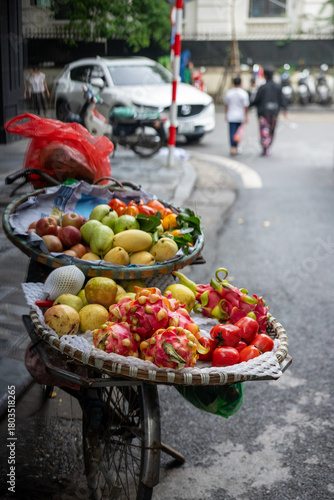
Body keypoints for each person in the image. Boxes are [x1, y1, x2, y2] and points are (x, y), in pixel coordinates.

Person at [249, 65, 287, 156]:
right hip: (274, 113)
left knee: (264, 130)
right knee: (271, 130)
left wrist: (249, 106)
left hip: (263, 113)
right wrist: (285, 109)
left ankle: (265, 147)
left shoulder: (262, 87)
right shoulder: (278, 86)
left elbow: (256, 100)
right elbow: (282, 99)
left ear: (264, 75)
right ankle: (267, 146)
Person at [224, 76, 249, 156]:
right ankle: (236, 147)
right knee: (238, 133)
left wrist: (226, 114)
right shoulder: (244, 93)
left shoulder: (229, 93)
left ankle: (233, 147)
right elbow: (245, 106)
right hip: (240, 116)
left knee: (232, 132)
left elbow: (226, 105)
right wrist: (246, 116)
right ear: (241, 83)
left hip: (231, 115)